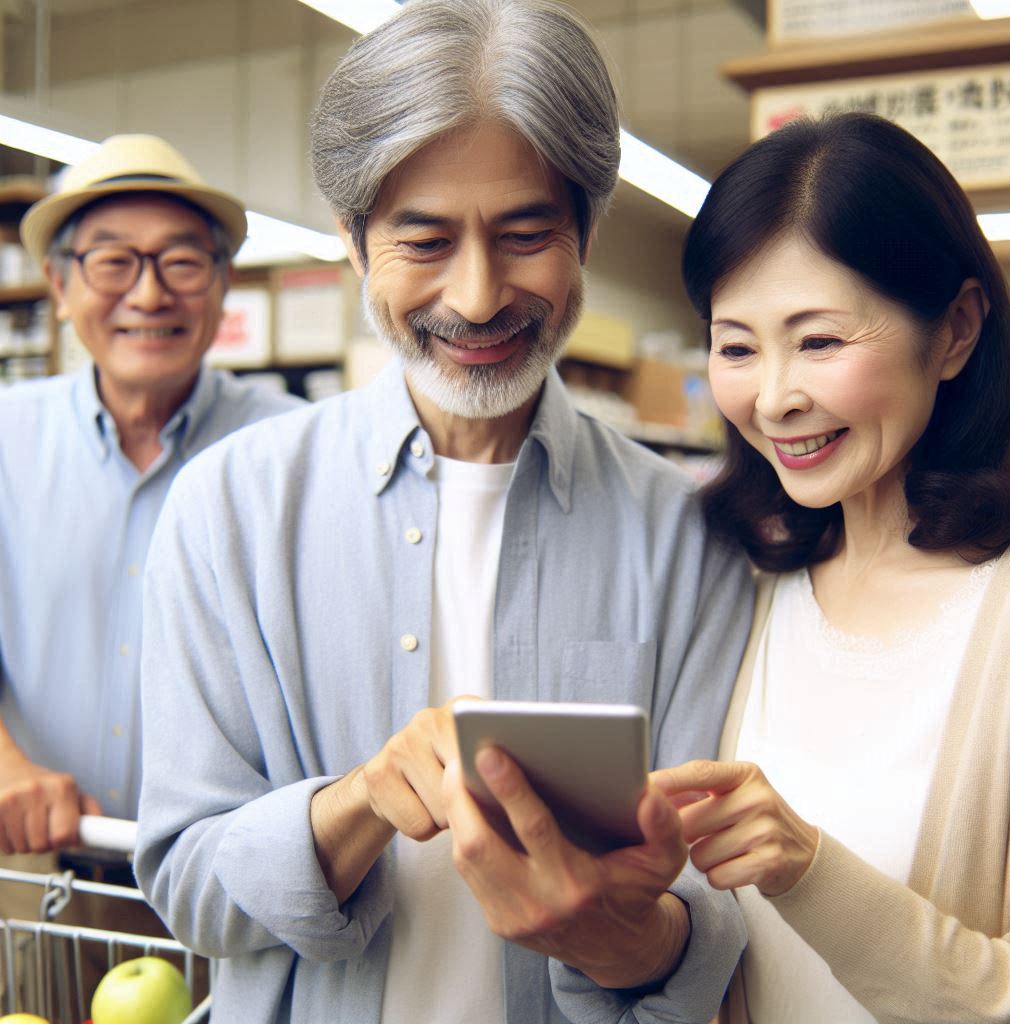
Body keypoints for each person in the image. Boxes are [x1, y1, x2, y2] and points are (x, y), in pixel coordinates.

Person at [134, 1, 752, 1021]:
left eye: (524, 235)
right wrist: (359, 802)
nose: (474, 297)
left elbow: (712, 911)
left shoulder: (686, 536)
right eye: (423, 241)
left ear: (585, 235)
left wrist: (627, 930)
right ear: (349, 239)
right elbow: (188, 883)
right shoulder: (231, 510)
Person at [653, 111, 1010, 1024]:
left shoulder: (1008, 616)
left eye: (818, 341)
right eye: (736, 346)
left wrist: (808, 872)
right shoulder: (740, 587)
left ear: (957, 332)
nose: (774, 396)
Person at [0, 134, 303, 862]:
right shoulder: (6, 438)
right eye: (112, 261)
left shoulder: (292, 452)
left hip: (235, 876)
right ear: (60, 284)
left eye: (181, 260)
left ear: (223, 284)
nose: (148, 292)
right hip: (45, 870)